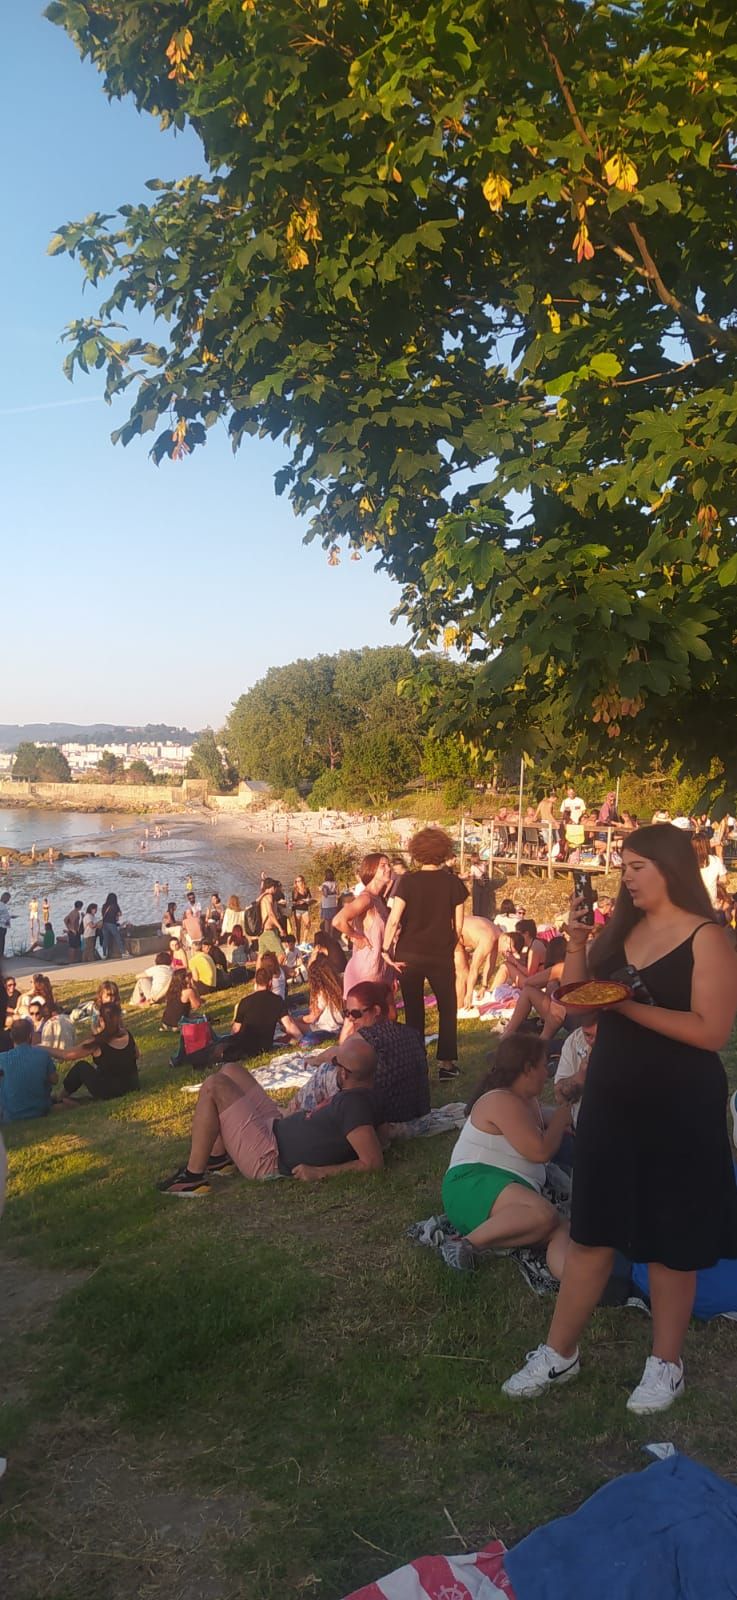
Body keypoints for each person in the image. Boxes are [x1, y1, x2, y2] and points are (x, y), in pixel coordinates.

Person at [503, 823, 737, 1414]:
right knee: (591, 1231)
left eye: (637, 866)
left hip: (680, 1105)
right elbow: (581, 1011)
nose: (625, 877)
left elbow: (711, 1031)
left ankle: (667, 1365)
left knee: (668, 1241)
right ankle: (559, 1353)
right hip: (611, 1098)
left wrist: (629, 1007)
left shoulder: (709, 938)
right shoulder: (621, 932)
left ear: (670, 867)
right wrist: (579, 946)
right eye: (624, 867)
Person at [158, 1034, 383, 1195]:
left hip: (268, 1156)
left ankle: (192, 1177)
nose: (331, 1064)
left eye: (335, 1061)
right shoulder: (360, 1094)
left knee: (214, 1085)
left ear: (343, 1073)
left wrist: (320, 1172)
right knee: (230, 1070)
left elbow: (372, 1162)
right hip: (276, 1126)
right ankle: (218, 1159)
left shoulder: (355, 1106)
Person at [440, 1034, 571, 1273]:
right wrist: (563, 1116)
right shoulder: (500, 1100)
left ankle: (575, 1280)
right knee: (543, 1214)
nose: (547, 1073)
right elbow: (540, 1151)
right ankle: (464, 1245)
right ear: (528, 1068)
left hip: (508, 1192)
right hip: (472, 1184)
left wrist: (573, 1102)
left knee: (560, 1226)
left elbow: (564, 1119)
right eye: (544, 1066)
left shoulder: (526, 1103)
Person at [382, 827, 467, 1080]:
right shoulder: (454, 884)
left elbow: (394, 919)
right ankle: (447, 1064)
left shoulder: (407, 881)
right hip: (440, 954)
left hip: (409, 952)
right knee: (448, 1007)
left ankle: (417, 1064)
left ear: (417, 853)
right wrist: (449, 944)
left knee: (414, 1009)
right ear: (444, 853)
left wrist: (386, 949)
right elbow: (459, 926)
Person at [291, 981, 430, 1124]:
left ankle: (294, 1114)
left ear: (376, 1011)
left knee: (327, 1071)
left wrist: (315, 1060)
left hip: (383, 1116)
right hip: (416, 1111)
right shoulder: (410, 1032)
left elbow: (337, 1052)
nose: (350, 1018)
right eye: (347, 1013)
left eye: (356, 1013)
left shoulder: (366, 1037)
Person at [53, 1003, 140, 1102]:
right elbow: (136, 1054)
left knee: (81, 1067)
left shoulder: (97, 1042)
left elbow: (66, 1055)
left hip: (109, 1092)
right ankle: (77, 1101)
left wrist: (42, 1048)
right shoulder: (127, 1034)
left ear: (101, 1020)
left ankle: (60, 1097)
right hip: (132, 1086)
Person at [333, 853, 393, 996]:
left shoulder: (379, 899)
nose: (388, 868)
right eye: (382, 866)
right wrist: (356, 936)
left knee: (389, 1015)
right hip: (366, 970)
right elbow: (338, 920)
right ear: (371, 870)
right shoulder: (366, 899)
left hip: (381, 968)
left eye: (389, 865)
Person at [218, 967, 305, 1061]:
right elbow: (289, 1024)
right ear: (270, 983)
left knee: (217, 1045)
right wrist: (302, 1039)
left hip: (244, 1047)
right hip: (264, 1046)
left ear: (256, 983)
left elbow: (235, 1030)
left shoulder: (245, 1001)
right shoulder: (277, 1000)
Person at [0, 1019, 57, 1121]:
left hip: (11, 1115)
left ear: (11, 1036)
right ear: (30, 1035)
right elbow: (54, 1080)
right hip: (40, 1110)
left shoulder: (3, 1059)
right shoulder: (42, 1054)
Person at [455, 915, 500, 1010]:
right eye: (508, 951)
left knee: (465, 975)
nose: (506, 954)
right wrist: (469, 994)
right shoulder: (489, 938)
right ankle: (458, 1009)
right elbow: (474, 968)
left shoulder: (497, 936)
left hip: (459, 930)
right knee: (463, 974)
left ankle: (460, 1007)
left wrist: (484, 986)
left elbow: (490, 963)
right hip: (453, 931)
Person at [300, 953, 344, 1038]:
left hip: (326, 1029)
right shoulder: (339, 984)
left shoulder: (322, 993)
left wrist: (296, 1020)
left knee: (289, 1025)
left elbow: (312, 1018)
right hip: (338, 1025)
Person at [692, 830, 725, 909]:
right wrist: (720, 854)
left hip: (692, 905)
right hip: (711, 906)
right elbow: (724, 880)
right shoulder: (715, 860)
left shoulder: (688, 861)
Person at [101, 894, 125, 958]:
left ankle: (104, 954)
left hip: (104, 924)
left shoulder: (104, 906)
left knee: (105, 939)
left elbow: (103, 914)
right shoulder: (115, 906)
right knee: (118, 937)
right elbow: (120, 914)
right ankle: (123, 952)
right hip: (112, 923)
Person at [291, 876, 313, 942]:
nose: (298, 883)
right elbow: (293, 902)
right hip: (297, 909)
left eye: (299, 881)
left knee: (308, 924)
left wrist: (307, 900)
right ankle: (298, 942)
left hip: (305, 909)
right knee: (298, 927)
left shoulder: (306, 889)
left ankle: (304, 941)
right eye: (297, 881)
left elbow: (310, 898)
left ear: (303, 881)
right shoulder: (294, 891)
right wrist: (298, 902)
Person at [0, 893, 11, 958]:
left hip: (3, 926)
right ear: (4, 897)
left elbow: (3, 915)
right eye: (8, 899)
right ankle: (1, 955)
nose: (8, 900)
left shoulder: (3, 905)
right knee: (1, 941)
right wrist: (5, 921)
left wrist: (10, 917)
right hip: (1, 926)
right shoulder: (0, 905)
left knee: (2, 940)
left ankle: (1, 954)